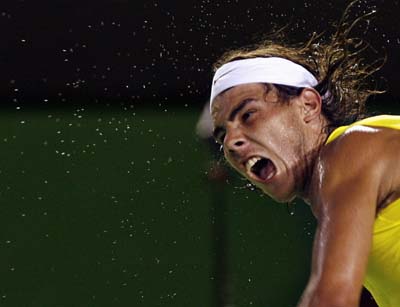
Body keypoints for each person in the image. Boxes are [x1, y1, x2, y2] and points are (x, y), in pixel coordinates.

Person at [208, 4, 400, 307]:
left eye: (248, 115)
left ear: (308, 105)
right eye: (222, 137)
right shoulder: (345, 200)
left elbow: (331, 300)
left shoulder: (352, 148)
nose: (231, 142)